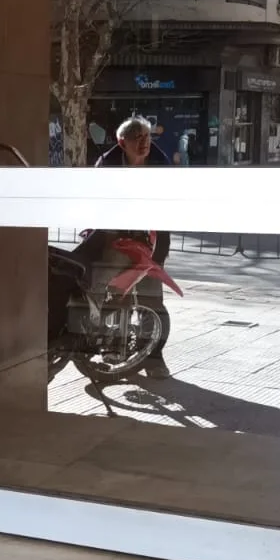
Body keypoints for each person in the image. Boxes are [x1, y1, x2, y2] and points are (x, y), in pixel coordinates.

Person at [90, 116, 173, 377]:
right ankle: (111, 345)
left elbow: (168, 208)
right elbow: (95, 203)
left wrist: (160, 251)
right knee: (107, 293)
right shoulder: (107, 164)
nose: (144, 142)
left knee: (151, 299)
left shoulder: (160, 164)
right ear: (122, 142)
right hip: (114, 239)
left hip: (148, 242)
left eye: (147, 136)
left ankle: (154, 357)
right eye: (137, 138)